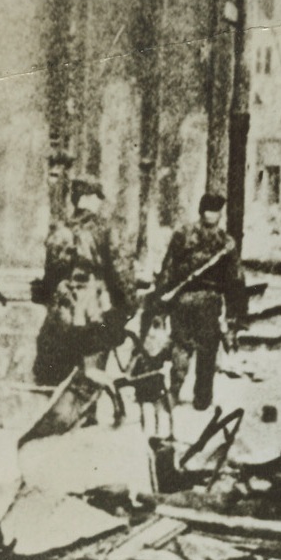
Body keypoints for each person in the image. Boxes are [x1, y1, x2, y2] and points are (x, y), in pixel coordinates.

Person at [33, 175, 135, 387]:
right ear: (88, 198)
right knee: (92, 368)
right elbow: (120, 270)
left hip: (62, 308)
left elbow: (49, 275)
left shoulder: (60, 230)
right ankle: (87, 415)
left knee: (62, 368)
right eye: (97, 197)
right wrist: (128, 304)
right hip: (93, 308)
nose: (99, 202)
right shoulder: (104, 229)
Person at [146, 192, 236, 410]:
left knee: (181, 345)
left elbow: (167, 271)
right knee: (207, 349)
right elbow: (235, 279)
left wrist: (160, 305)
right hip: (210, 301)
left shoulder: (183, 234)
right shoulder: (226, 242)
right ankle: (202, 399)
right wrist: (234, 313)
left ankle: (174, 392)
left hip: (183, 300)